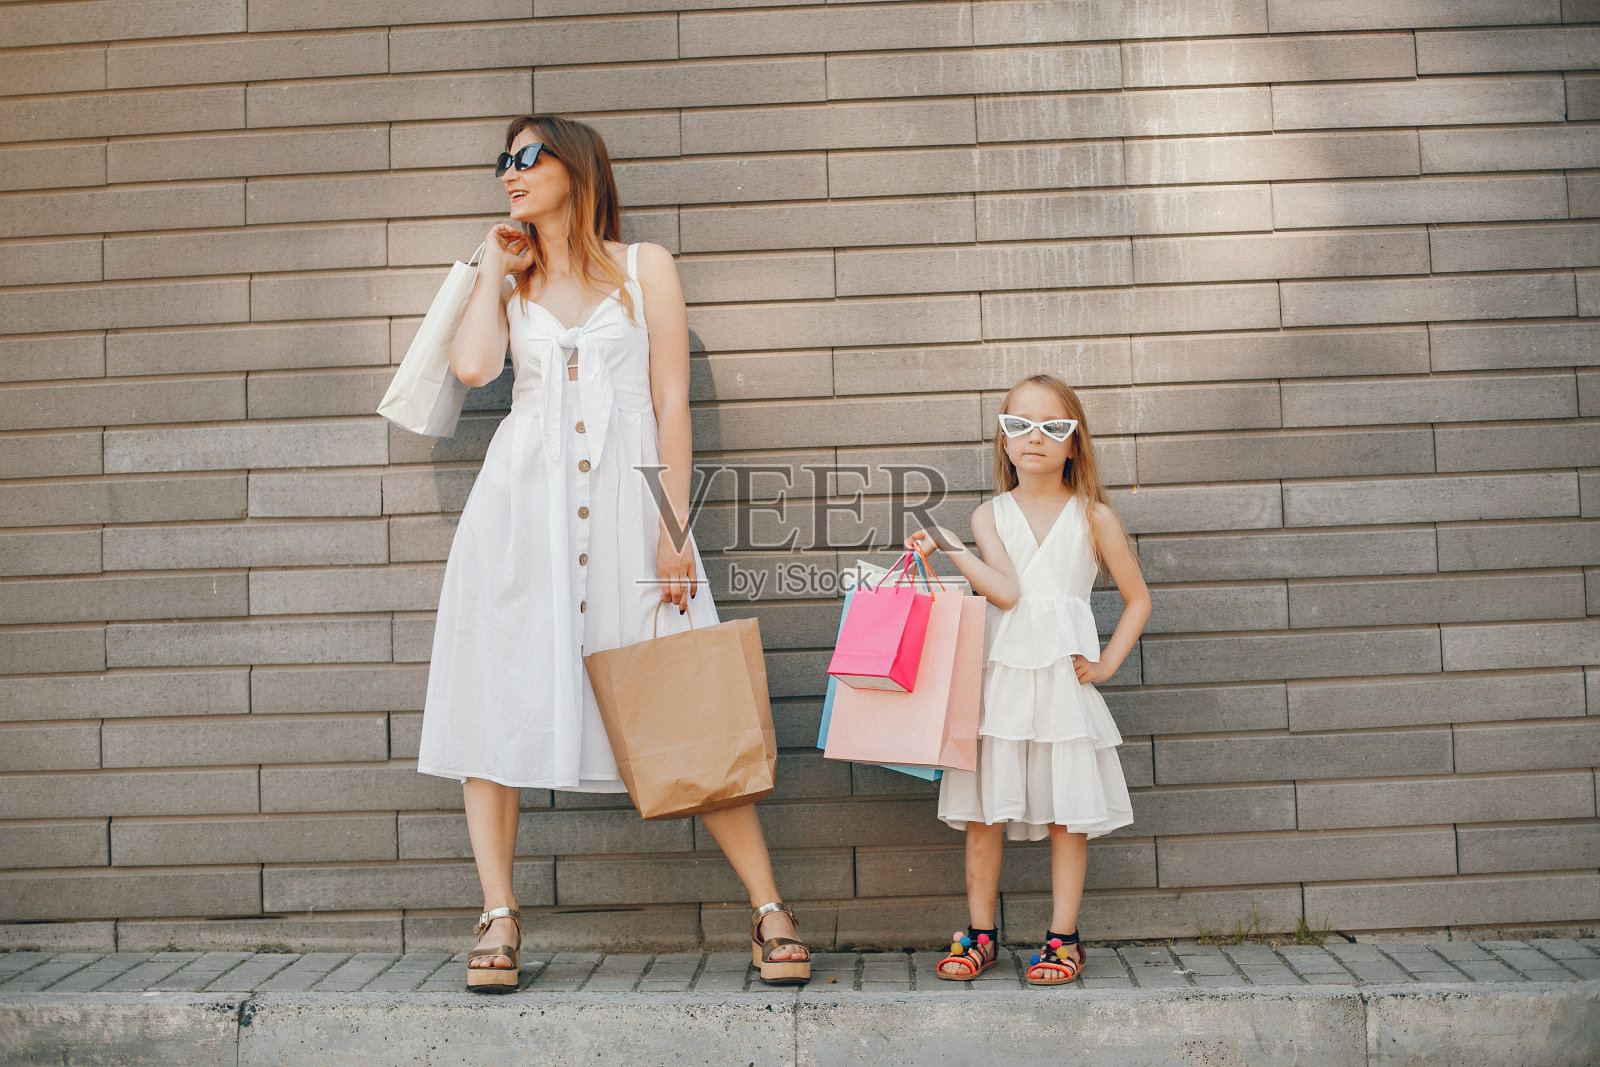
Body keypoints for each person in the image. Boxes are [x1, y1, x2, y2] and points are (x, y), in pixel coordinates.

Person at [417, 114, 809, 991]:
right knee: (496, 702)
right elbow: (474, 369)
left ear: (576, 164)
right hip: (520, 519)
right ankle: (498, 913)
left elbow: (671, 404)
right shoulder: (509, 280)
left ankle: (769, 908)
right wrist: (493, 270)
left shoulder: (645, 267)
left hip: (632, 516)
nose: (510, 172)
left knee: (686, 694)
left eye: (527, 157)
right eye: (503, 161)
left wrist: (674, 530)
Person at [906, 373, 1150, 986]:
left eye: (1052, 426)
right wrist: (951, 544)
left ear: (1074, 441)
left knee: (1068, 815)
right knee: (985, 814)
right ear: (1004, 439)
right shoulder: (989, 514)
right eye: (1019, 425)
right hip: (1001, 688)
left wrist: (1106, 664)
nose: (1034, 437)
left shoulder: (1095, 517)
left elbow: (1139, 599)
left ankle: (1063, 939)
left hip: (1064, 692)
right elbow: (1007, 593)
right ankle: (980, 934)